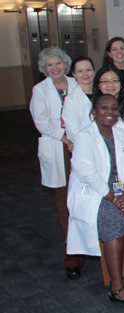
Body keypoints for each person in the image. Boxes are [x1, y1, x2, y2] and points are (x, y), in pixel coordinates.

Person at [68, 94, 124, 305]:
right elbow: (87, 172)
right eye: (104, 107)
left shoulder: (121, 134)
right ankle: (117, 287)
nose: (109, 112)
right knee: (113, 221)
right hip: (96, 192)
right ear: (94, 111)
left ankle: (121, 275)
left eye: (114, 108)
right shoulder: (85, 136)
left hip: (120, 191)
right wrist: (112, 198)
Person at [30, 47, 83, 279]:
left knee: (84, 189)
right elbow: (41, 121)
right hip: (57, 143)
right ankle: (72, 248)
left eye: (58, 63)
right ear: (44, 68)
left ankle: (90, 238)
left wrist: (77, 138)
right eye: (49, 65)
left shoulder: (77, 83)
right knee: (63, 193)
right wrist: (64, 138)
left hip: (80, 142)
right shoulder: (39, 90)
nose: (54, 68)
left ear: (65, 63)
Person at [82, 65, 124, 155]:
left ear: (121, 84)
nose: (110, 85)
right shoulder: (90, 107)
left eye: (114, 81)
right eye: (104, 81)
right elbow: (84, 137)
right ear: (98, 85)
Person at [63, 56, 94, 142]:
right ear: (74, 74)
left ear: (94, 71)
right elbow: (73, 132)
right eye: (80, 71)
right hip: (86, 145)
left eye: (88, 70)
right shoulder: (71, 100)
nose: (85, 74)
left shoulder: (105, 93)